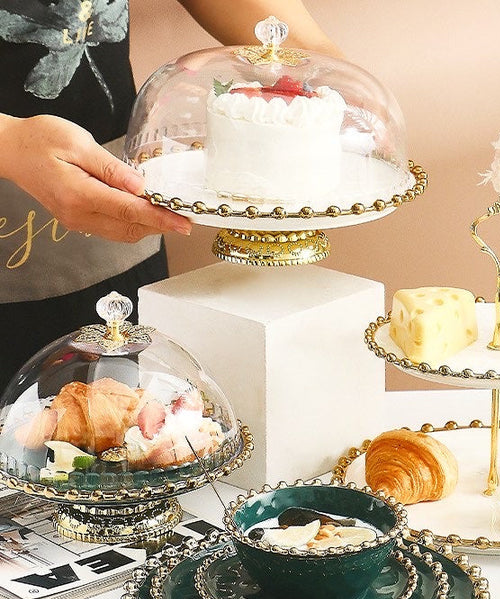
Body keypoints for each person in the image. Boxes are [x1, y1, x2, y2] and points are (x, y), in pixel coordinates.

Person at [0, 0, 341, 390]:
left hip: (109, 232)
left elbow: (289, 40)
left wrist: (323, 72)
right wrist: (7, 142)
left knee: (123, 430)